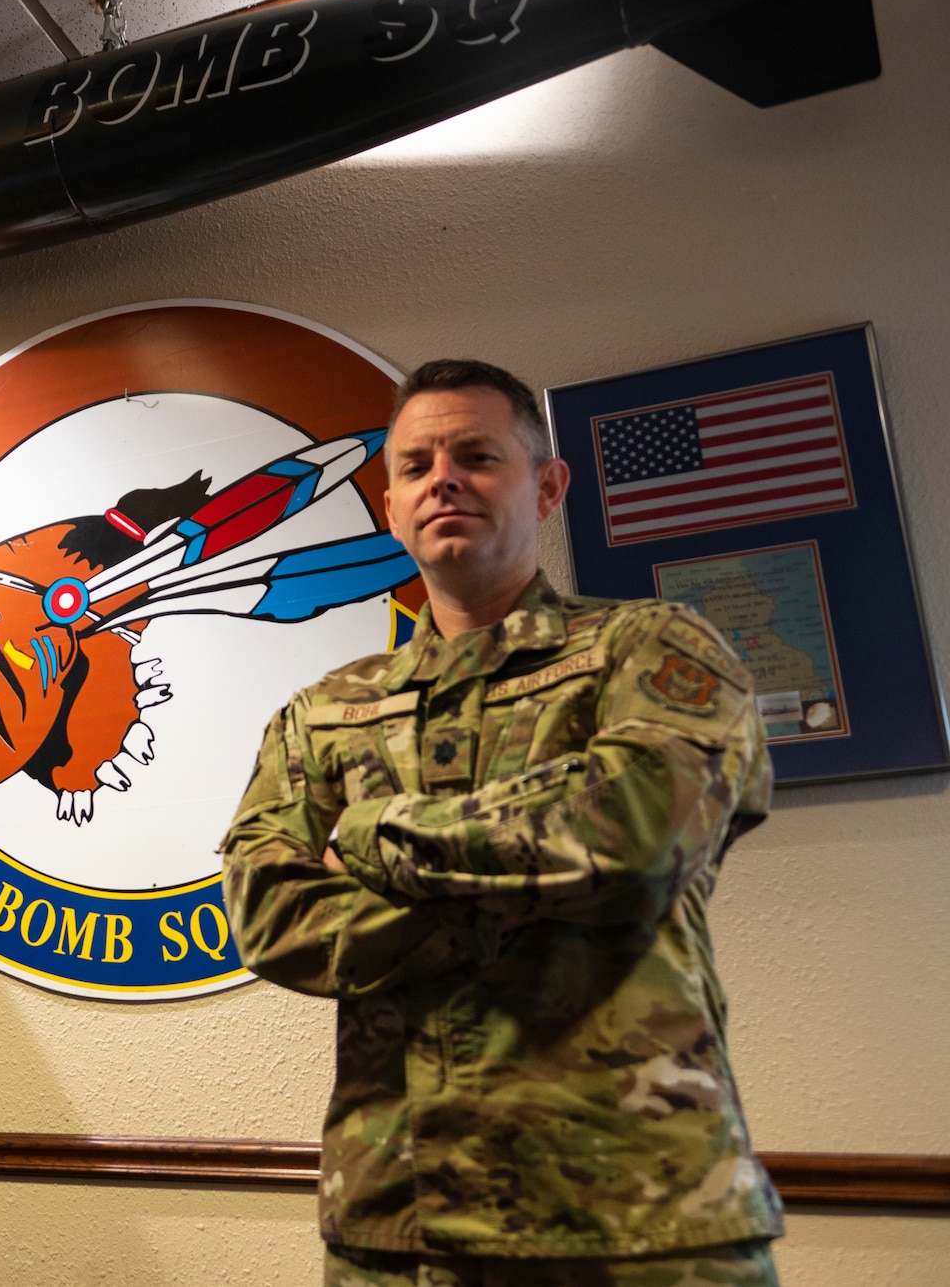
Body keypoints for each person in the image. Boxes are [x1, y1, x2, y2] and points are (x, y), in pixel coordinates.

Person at [220, 360, 782, 1286]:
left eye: (478, 455)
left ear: (547, 486)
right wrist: (540, 892)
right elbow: (272, 917)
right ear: (392, 504)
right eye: (416, 465)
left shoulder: (653, 649)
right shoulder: (321, 712)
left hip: (638, 1224)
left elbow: (632, 839)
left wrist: (372, 835)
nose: (444, 478)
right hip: (399, 1233)